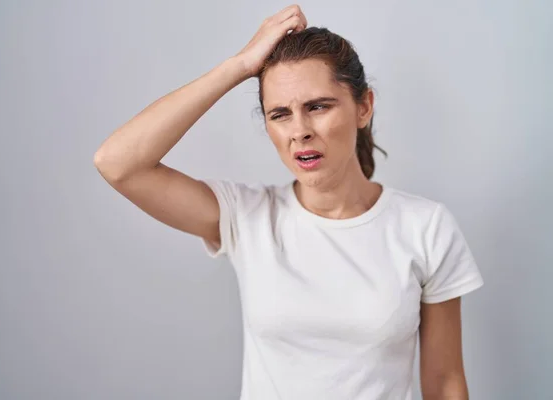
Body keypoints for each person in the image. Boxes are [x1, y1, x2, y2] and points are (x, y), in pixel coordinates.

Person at [94, 5, 484, 399]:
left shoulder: (426, 227)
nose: (299, 131)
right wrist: (239, 66)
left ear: (363, 107)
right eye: (279, 114)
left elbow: (444, 380)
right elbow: (118, 164)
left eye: (317, 107)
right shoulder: (247, 216)